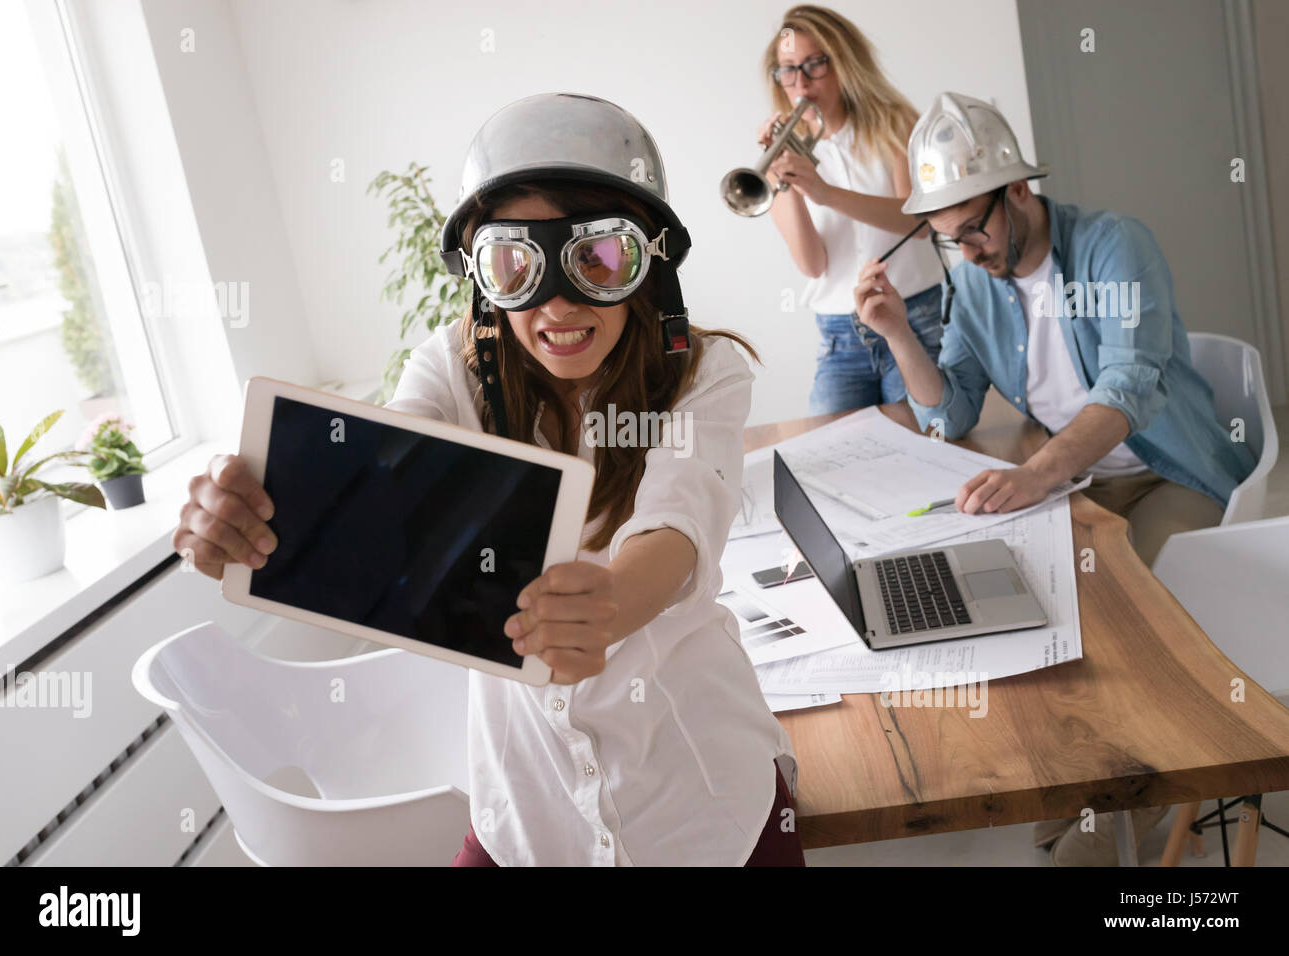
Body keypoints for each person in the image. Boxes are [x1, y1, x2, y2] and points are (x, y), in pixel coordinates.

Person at [171, 93, 803, 867]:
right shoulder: (451, 370)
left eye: (599, 258)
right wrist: (241, 513)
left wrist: (609, 606)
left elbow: (679, 525)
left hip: (698, 802)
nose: (559, 303)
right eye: (516, 265)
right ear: (480, 279)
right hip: (527, 810)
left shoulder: (703, 373)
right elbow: (385, 480)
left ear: (650, 263)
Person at [852, 91, 1257, 866]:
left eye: (975, 226)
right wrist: (900, 334)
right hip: (1080, 480)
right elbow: (955, 407)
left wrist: (1038, 473)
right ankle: (1085, 814)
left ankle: (1129, 828)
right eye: (947, 239)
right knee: (1030, 609)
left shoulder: (1113, 245)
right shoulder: (973, 278)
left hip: (1172, 472)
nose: (966, 251)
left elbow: (1132, 383)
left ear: (1018, 191)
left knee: (1126, 619)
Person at [758, 4, 944, 414]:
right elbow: (812, 264)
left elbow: (920, 222)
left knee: (924, 443)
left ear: (845, 61)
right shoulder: (780, 156)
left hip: (915, 317)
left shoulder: (895, 124)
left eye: (814, 64)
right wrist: (785, 180)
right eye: (787, 69)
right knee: (827, 459)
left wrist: (825, 193)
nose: (800, 82)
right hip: (840, 334)